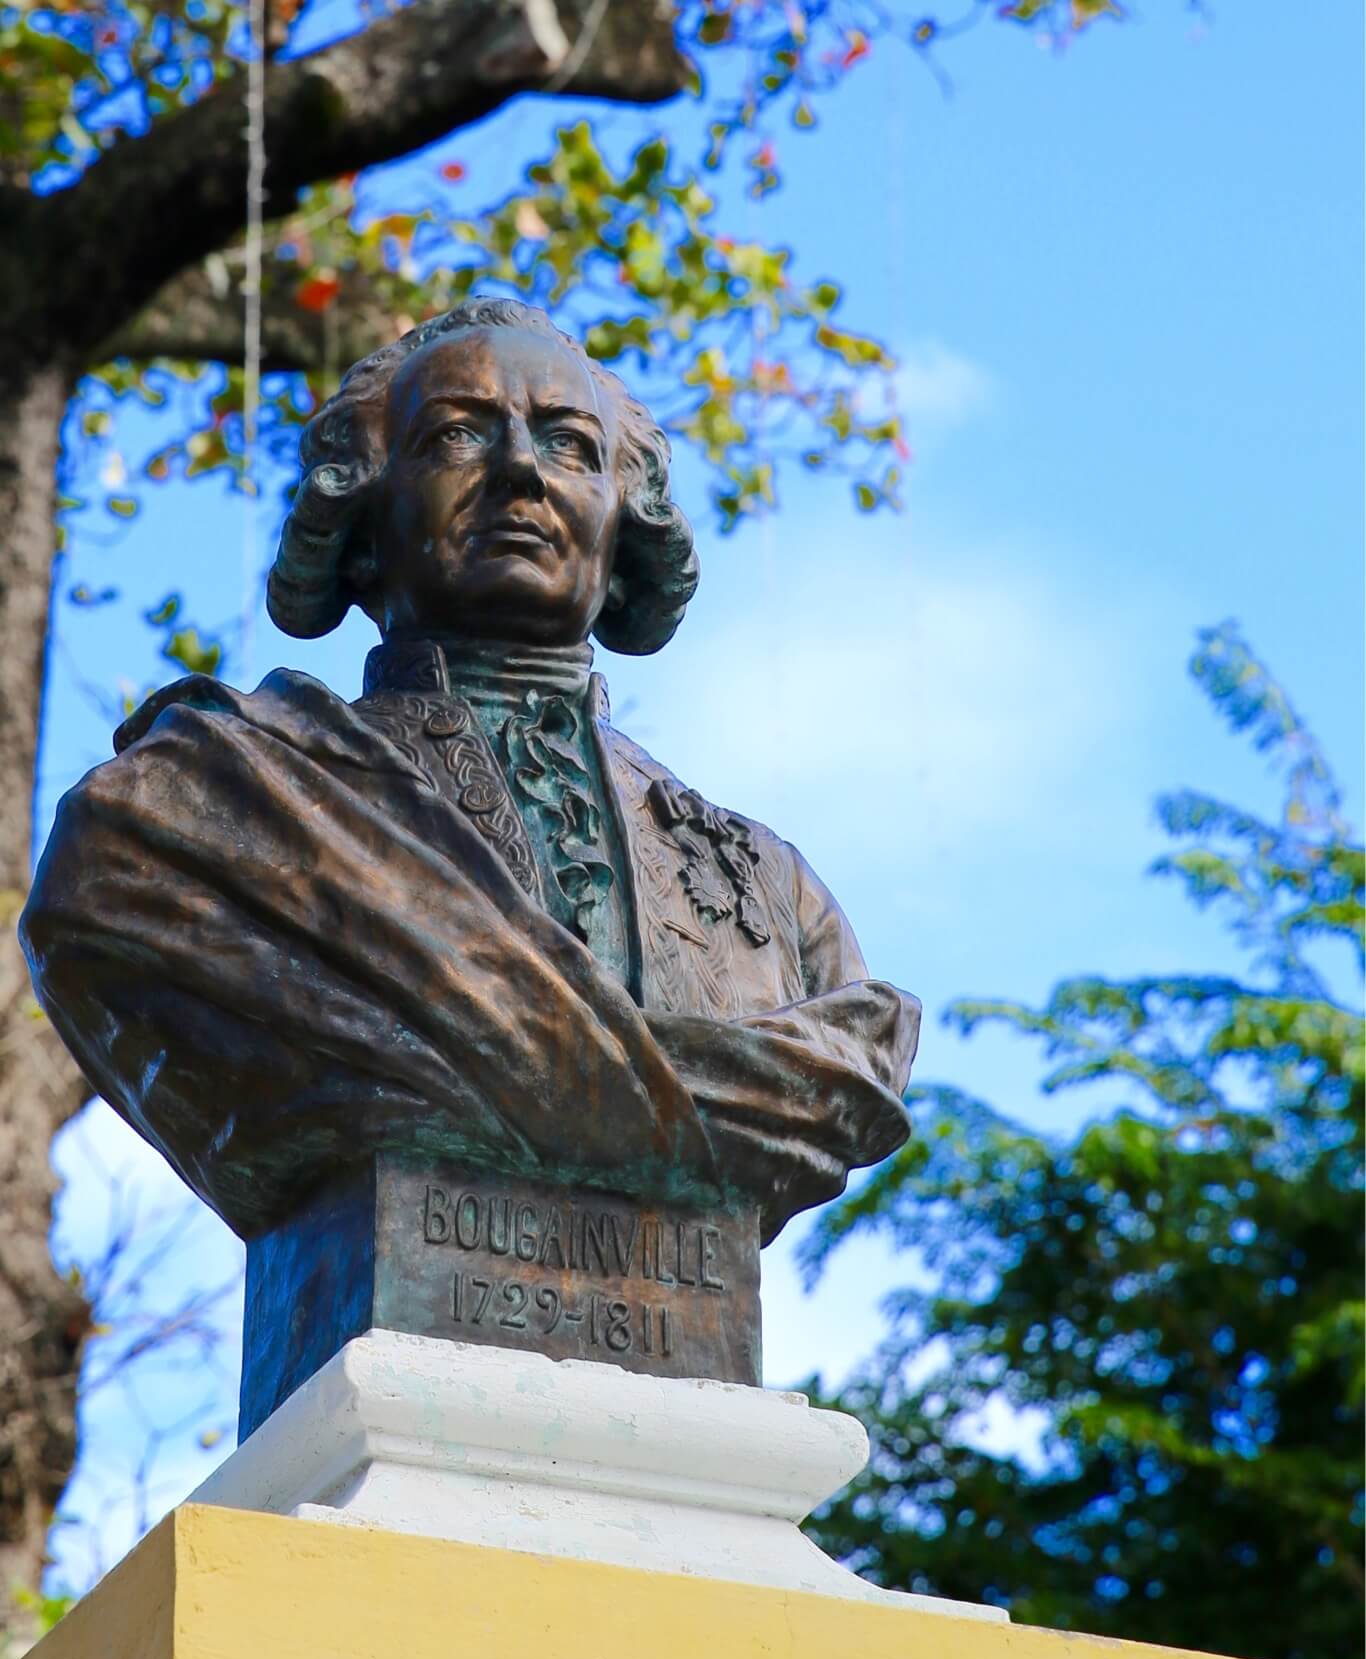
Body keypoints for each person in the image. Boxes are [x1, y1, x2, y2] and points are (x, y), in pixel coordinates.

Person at [21, 300, 919, 1248]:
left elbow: (849, 1067)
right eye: (457, 435)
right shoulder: (184, 813)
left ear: (625, 527)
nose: (522, 469)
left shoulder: (776, 894)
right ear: (361, 520)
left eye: (570, 446)